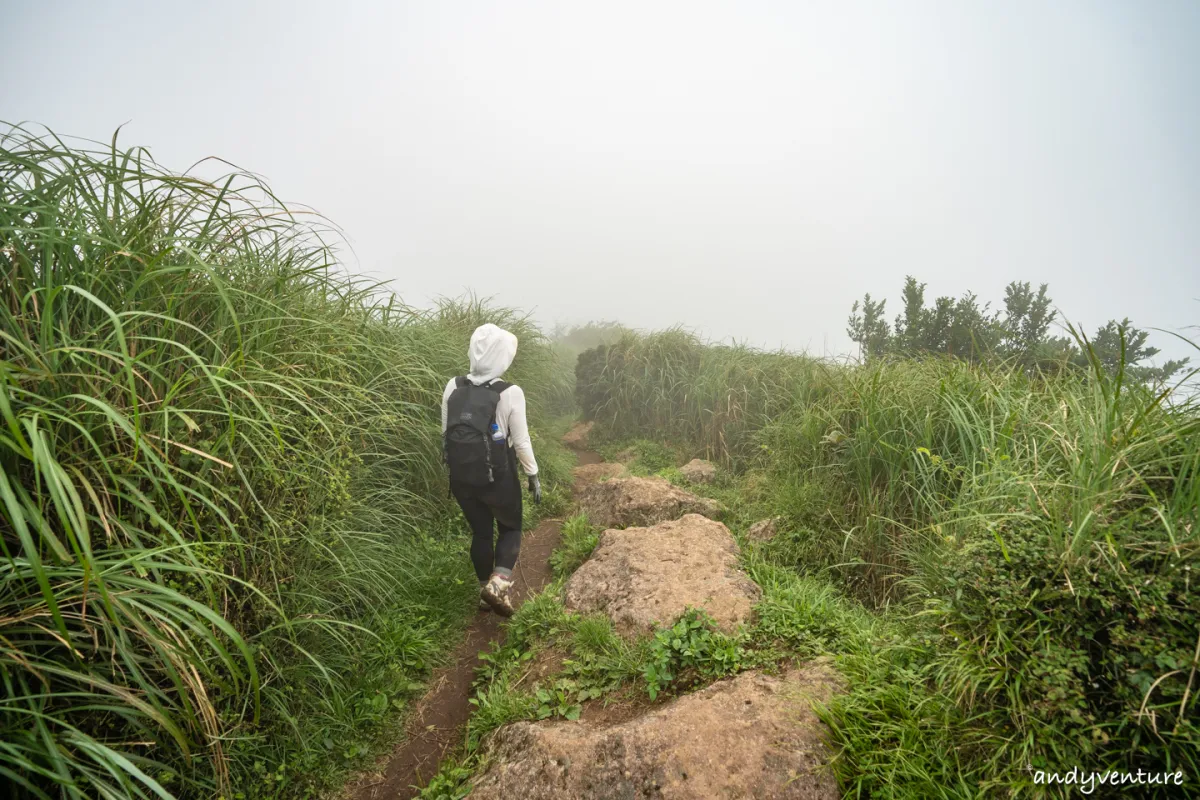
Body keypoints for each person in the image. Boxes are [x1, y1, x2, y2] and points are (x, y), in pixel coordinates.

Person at [442, 323, 541, 616]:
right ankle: (497, 585)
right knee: (511, 527)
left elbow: (445, 432)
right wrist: (532, 474)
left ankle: (485, 593)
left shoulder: (454, 386)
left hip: (461, 476)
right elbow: (521, 440)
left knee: (481, 532)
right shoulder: (510, 392)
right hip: (497, 475)